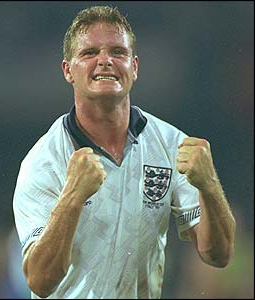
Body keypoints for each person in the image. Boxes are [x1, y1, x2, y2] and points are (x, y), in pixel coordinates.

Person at [13, 5, 236, 299]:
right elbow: (40, 281)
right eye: (90, 53)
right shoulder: (44, 161)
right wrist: (72, 197)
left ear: (135, 67)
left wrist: (209, 186)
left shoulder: (171, 145)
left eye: (117, 52)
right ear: (68, 70)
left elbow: (218, 255)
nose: (105, 60)